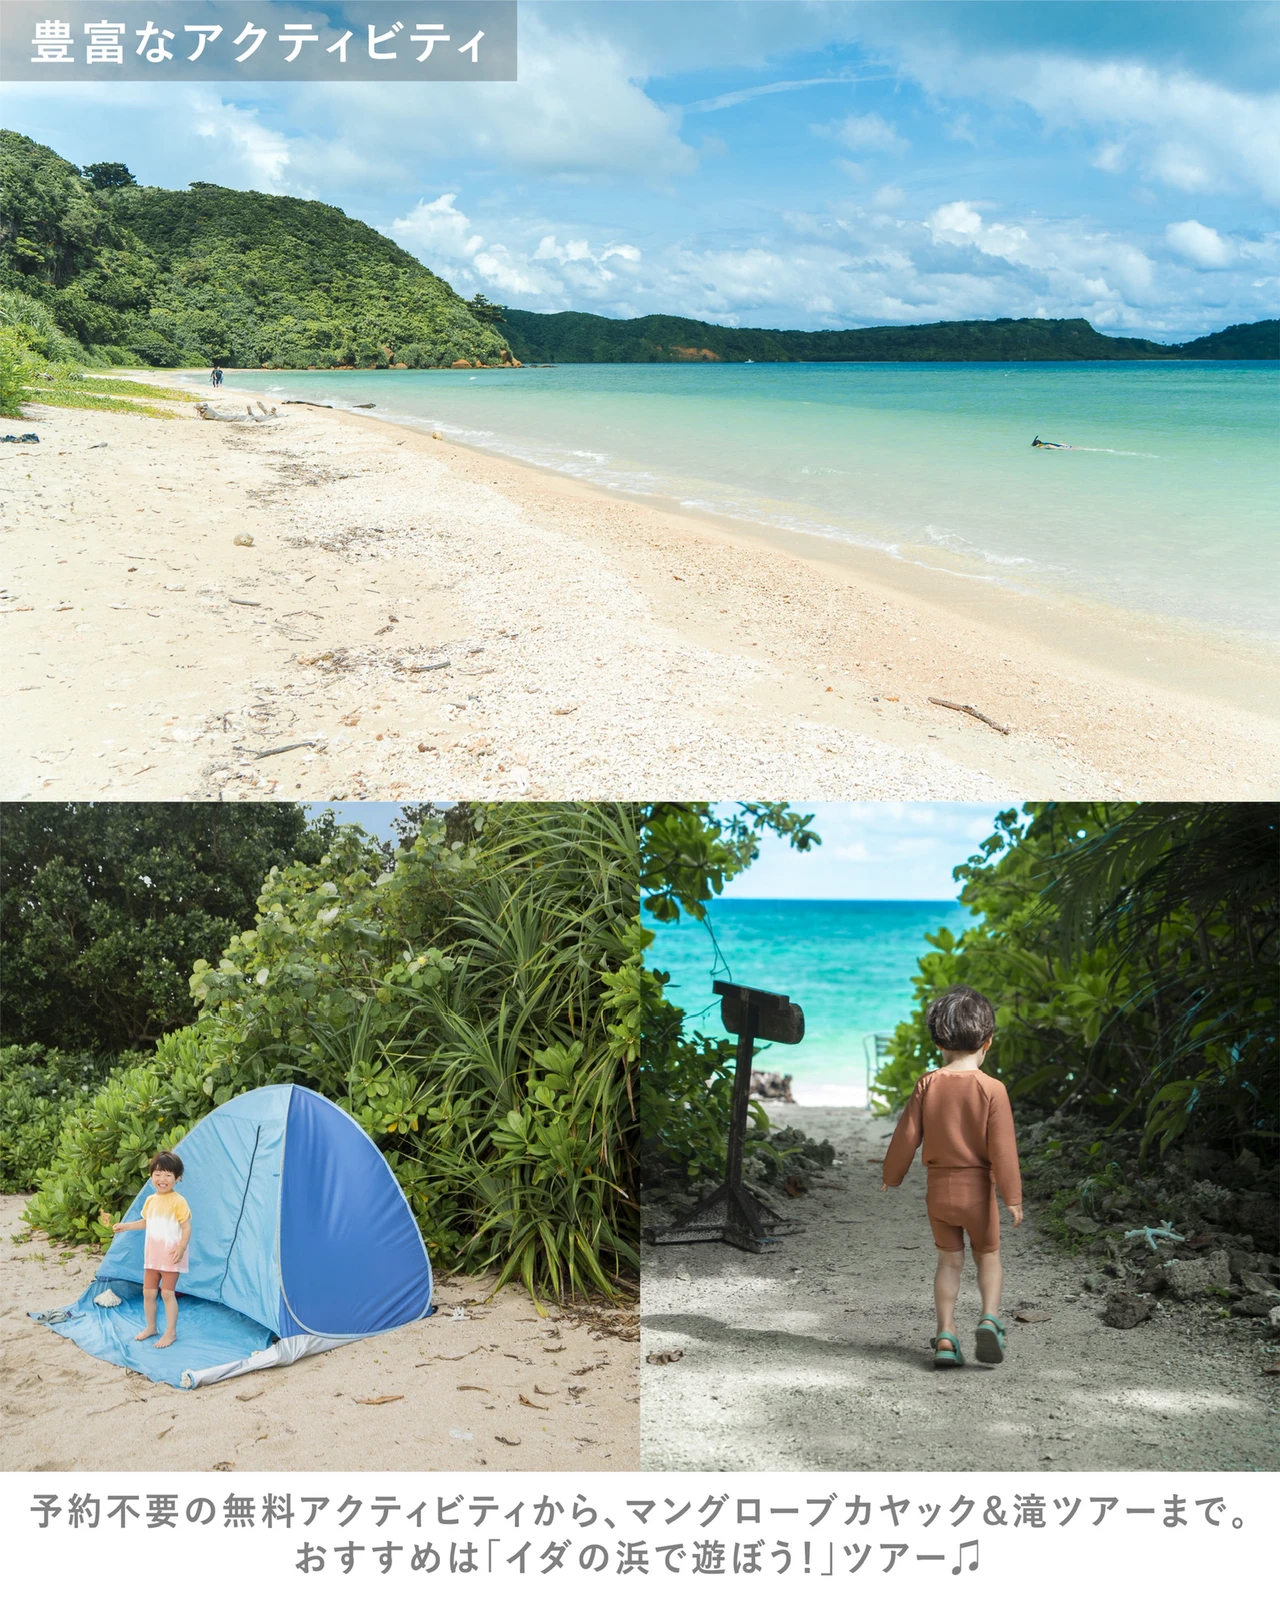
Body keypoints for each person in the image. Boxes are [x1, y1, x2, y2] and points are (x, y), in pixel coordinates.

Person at [880, 985, 1023, 1367]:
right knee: (988, 1257)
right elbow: (1003, 1150)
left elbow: (906, 1137)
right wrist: (1012, 1197)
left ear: (939, 1042)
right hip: (978, 1192)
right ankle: (989, 1319)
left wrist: (891, 1175)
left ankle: (946, 1335)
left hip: (939, 1194)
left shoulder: (927, 1084)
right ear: (988, 1041)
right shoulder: (993, 1089)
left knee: (948, 1262)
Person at [105, 1151, 192, 1350]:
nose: (162, 1179)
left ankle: (171, 1332)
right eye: (158, 1174)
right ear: (151, 1175)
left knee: (168, 1294)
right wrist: (125, 1226)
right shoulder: (151, 1200)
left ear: (177, 1178)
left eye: (168, 1175)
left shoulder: (178, 1201)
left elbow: (187, 1227)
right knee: (148, 1293)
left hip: (171, 1255)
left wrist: (181, 1247)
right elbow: (147, 1222)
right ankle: (151, 1327)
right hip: (152, 1256)